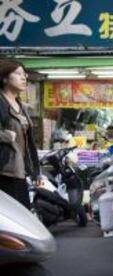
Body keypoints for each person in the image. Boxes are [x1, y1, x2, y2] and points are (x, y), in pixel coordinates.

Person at [0, 59, 40, 209]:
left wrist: (35, 170)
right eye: (18, 74)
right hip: (4, 171)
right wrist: (5, 136)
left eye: (24, 74)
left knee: (23, 213)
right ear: (4, 78)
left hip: (19, 170)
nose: (24, 78)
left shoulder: (21, 107)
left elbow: (28, 142)